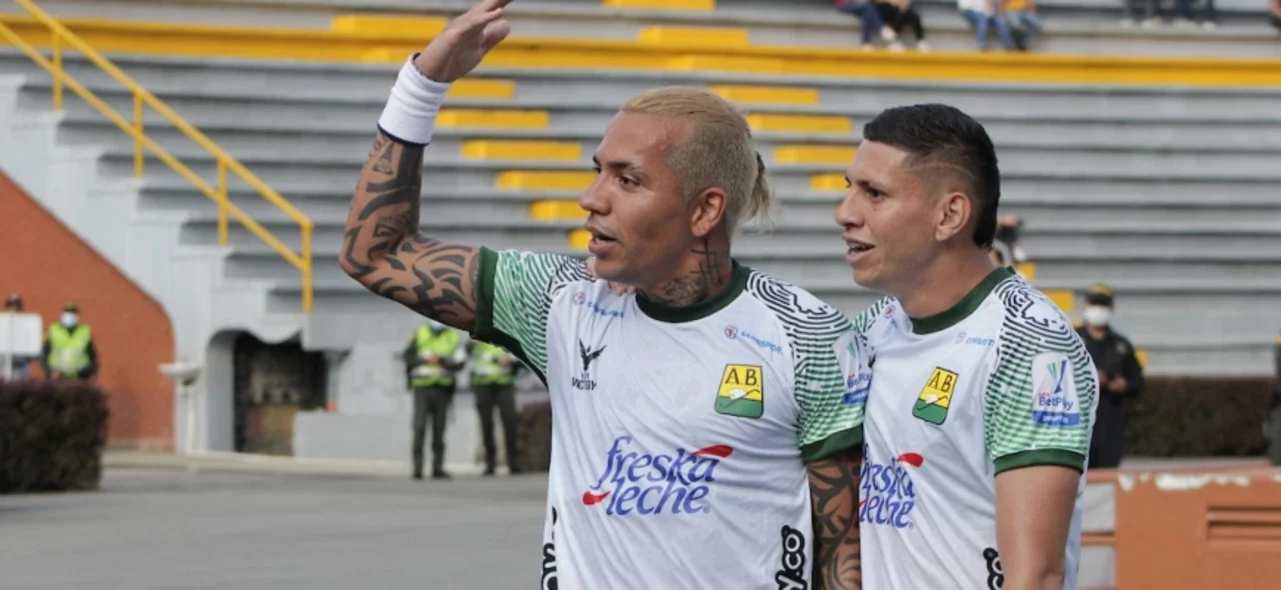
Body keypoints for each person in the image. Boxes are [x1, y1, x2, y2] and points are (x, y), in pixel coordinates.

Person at [338, 1, 865, 587]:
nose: (591, 197)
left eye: (626, 179)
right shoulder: (561, 303)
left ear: (705, 209)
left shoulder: (809, 335)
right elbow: (376, 253)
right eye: (597, 171)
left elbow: (845, 556)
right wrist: (421, 87)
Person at [834, 104, 1099, 589]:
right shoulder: (872, 328)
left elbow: (1036, 573)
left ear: (950, 214)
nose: (845, 213)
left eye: (874, 193)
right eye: (848, 187)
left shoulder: (1030, 345)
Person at [1076, 284, 1144, 470]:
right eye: (1095, 303)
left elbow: (1137, 381)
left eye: (1103, 304)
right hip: (1077, 426)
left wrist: (1123, 385)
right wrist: (1090, 379)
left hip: (1110, 424)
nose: (1099, 309)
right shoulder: (1072, 339)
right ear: (1086, 305)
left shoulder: (1121, 345)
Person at [403, 319, 466, 480]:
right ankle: (418, 468)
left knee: (439, 429)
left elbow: (460, 363)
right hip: (422, 388)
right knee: (419, 427)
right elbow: (408, 357)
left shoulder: (453, 336)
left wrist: (443, 362)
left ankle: (438, 467)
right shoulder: (420, 333)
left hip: (442, 389)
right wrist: (425, 361)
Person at [467, 338, 524, 476]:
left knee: (510, 423)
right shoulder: (478, 331)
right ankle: (490, 463)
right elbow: (465, 354)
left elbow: (521, 356)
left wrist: (510, 361)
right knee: (486, 425)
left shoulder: (507, 331)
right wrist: (472, 344)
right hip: (482, 384)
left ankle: (513, 462)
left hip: (504, 383)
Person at [41, 302, 98, 381]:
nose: (70, 316)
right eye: (67, 313)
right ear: (62, 314)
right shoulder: (52, 330)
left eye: (73, 313)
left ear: (77, 316)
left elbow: (93, 357)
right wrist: (50, 371)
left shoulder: (84, 331)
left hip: (79, 379)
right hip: (57, 378)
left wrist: (89, 372)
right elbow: (43, 354)